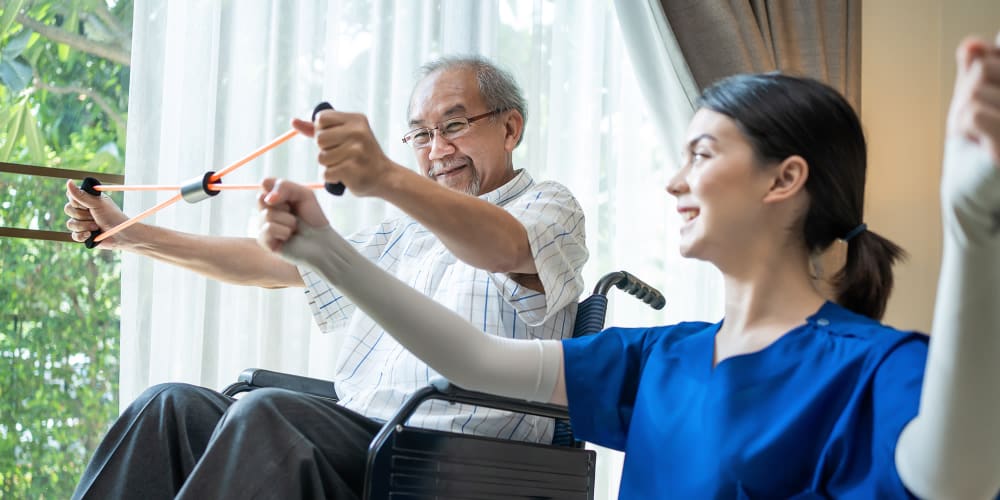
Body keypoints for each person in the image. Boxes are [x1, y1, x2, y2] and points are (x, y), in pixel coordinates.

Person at [258, 35, 1000, 498]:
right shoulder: (662, 357)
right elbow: (476, 359)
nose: (675, 183)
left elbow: (957, 480)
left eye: (702, 155)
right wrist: (325, 250)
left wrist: (973, 229)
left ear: (785, 181)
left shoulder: (874, 367)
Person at [66, 56, 588, 499]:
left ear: (510, 128)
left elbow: (503, 247)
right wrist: (133, 236)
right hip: (362, 435)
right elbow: (274, 264)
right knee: (169, 408)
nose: (436, 150)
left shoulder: (547, 207)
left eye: (453, 126)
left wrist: (385, 176)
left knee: (270, 415)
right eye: (421, 135)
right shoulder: (403, 232)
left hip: (458, 457)